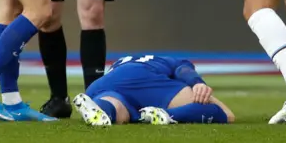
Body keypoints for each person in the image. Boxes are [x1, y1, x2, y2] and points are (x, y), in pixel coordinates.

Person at [72, 54, 235, 126]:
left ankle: (103, 109)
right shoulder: (165, 60)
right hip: (143, 76)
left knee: (118, 109)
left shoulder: (119, 63)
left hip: (99, 86)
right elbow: (182, 70)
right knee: (226, 115)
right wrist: (197, 82)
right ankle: (166, 115)